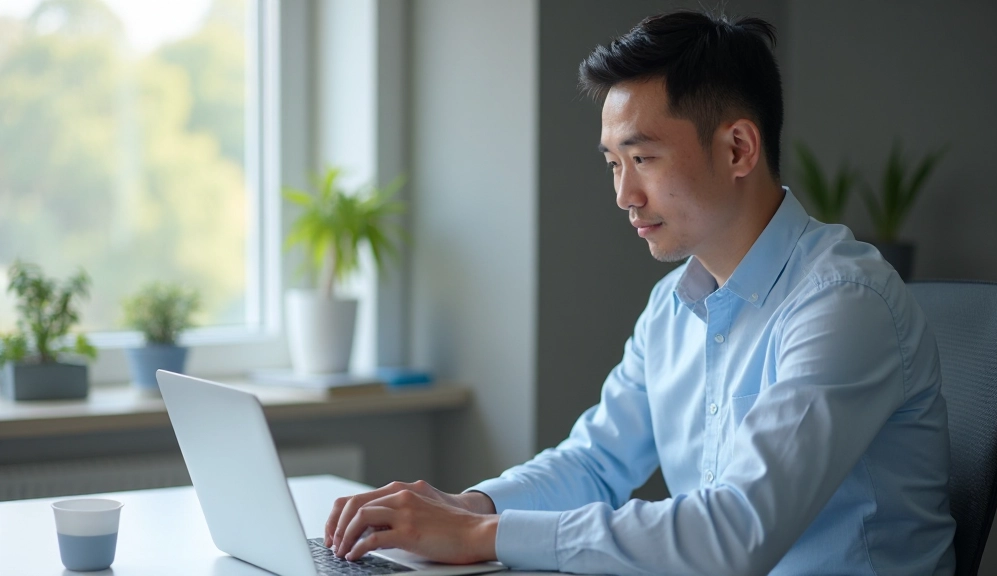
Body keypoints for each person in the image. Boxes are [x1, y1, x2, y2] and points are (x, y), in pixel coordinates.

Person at [322, 9, 956, 575]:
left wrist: (484, 535)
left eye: (643, 158)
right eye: (612, 163)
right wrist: (466, 505)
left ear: (738, 148)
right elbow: (594, 464)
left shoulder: (844, 302)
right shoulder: (671, 308)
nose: (624, 195)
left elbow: (737, 534)